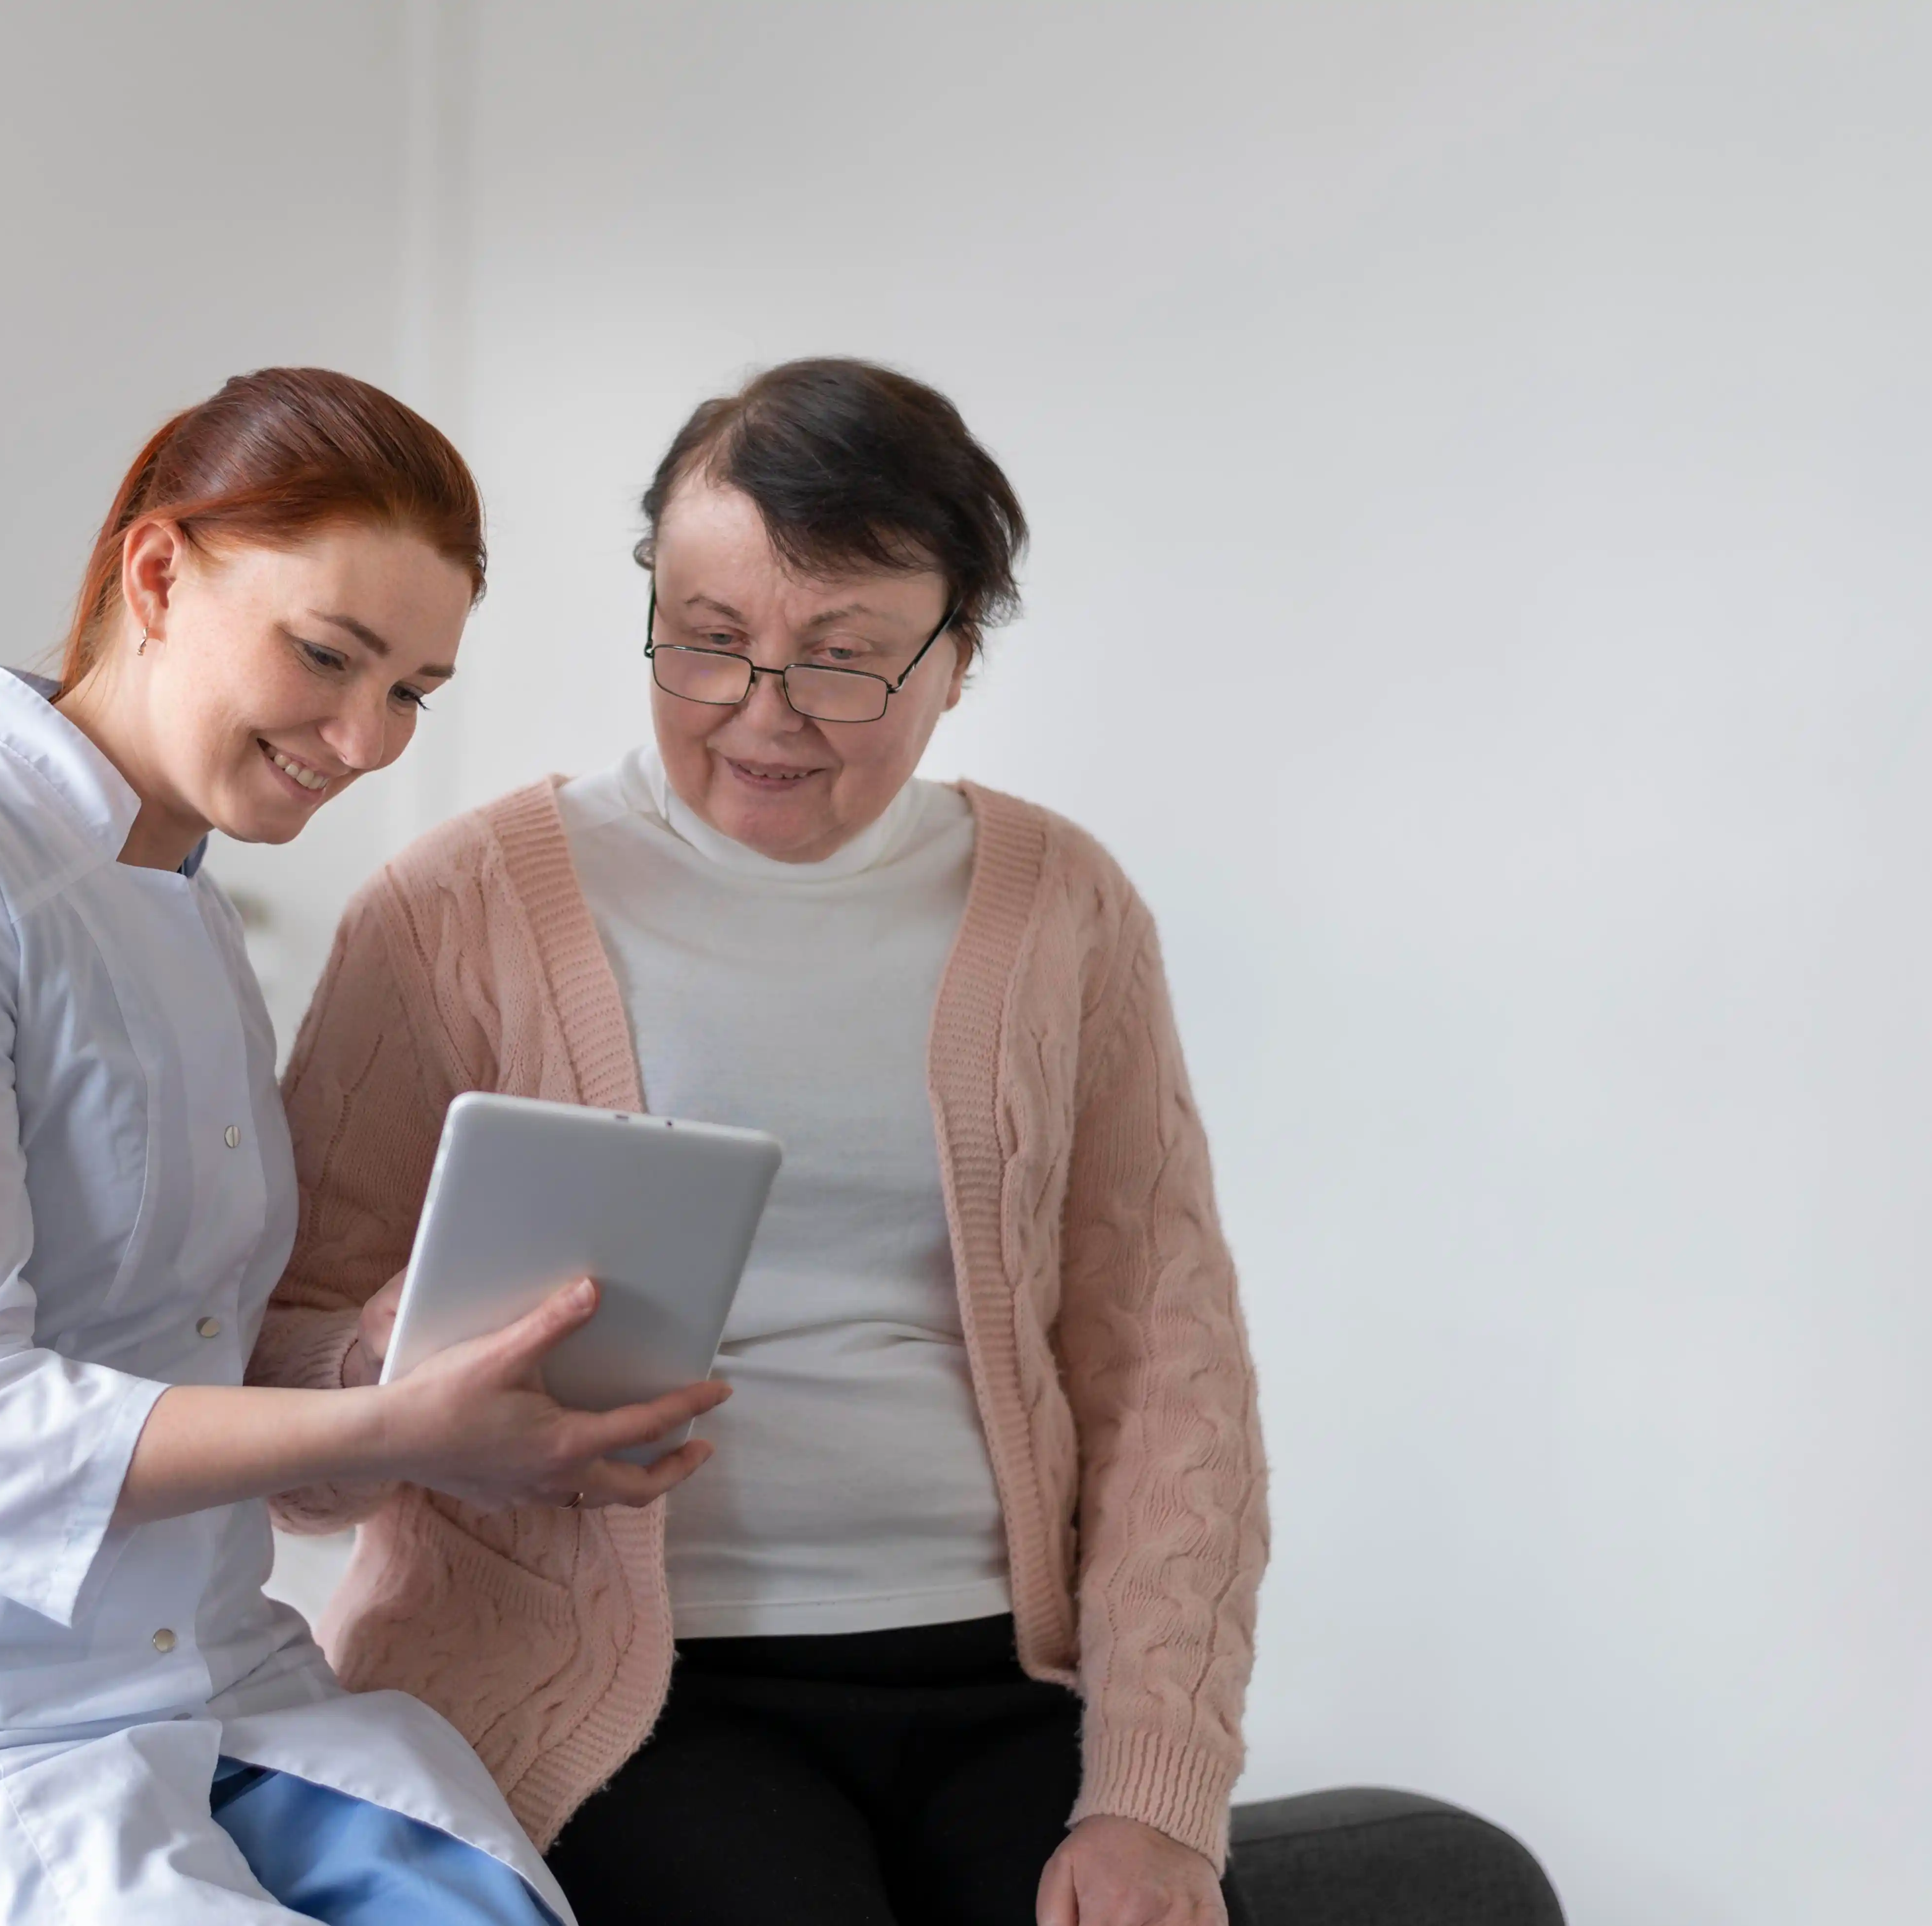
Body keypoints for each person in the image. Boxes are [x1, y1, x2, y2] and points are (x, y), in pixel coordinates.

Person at [0, 368, 728, 1926]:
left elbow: (178, 1360)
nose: (365, 738)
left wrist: (399, 1370)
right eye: (327, 656)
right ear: (157, 573)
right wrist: (403, 1433)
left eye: (413, 690)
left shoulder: (197, 912)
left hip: (203, 1682)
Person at [255, 360, 1269, 1926]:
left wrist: (1155, 1793)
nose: (761, 714)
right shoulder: (458, 908)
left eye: (844, 660)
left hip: (1002, 1675)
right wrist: (386, 1369)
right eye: (709, 641)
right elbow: (268, 1384)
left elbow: (1169, 1370)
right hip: (626, 1699)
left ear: (961, 654)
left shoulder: (1062, 906)